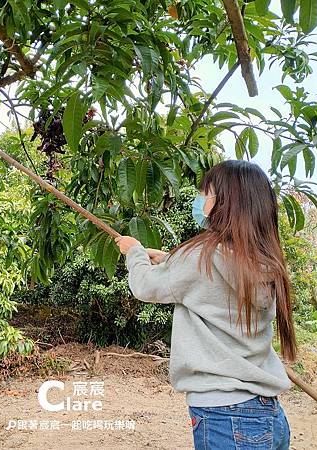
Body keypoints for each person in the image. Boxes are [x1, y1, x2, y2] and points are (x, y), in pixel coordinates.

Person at [115, 160, 295, 450]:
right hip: (267, 415)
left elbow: (145, 286)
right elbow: (209, 283)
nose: (200, 199)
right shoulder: (263, 261)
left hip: (225, 415)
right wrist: (169, 259)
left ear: (225, 201)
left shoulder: (201, 256)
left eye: (205, 193)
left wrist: (134, 252)